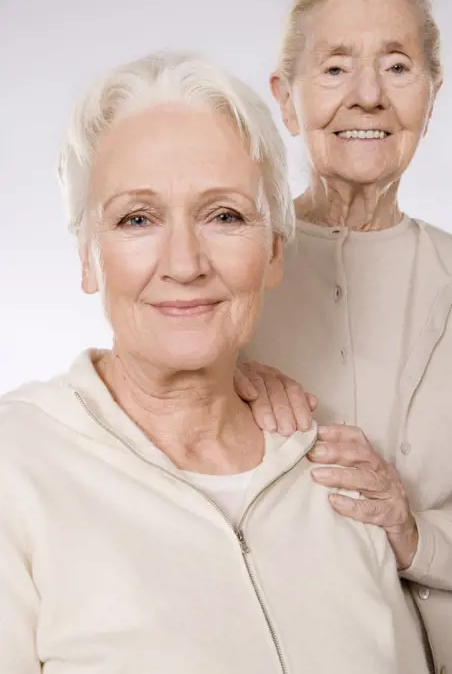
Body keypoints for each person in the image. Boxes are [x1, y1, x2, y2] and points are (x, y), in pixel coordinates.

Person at [0, 51, 429, 673]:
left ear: (275, 251)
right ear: (89, 258)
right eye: (137, 218)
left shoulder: (340, 476)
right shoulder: (15, 470)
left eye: (224, 215)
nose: (184, 263)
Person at [237, 0, 451, 672]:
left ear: (432, 92)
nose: (368, 97)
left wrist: (414, 533)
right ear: (287, 100)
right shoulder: (222, 279)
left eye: (396, 66)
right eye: (334, 69)